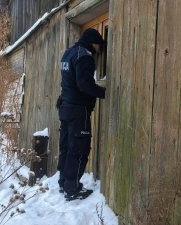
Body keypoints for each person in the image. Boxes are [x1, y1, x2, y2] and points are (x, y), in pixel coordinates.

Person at [56, 28, 106, 201]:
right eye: (100, 46)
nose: (100, 51)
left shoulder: (68, 53)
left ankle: (63, 183)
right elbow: (84, 84)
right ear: (94, 43)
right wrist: (105, 93)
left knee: (66, 147)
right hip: (78, 110)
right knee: (78, 148)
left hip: (65, 106)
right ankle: (72, 188)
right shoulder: (84, 56)